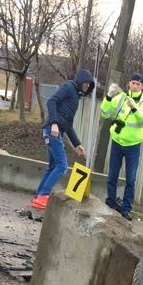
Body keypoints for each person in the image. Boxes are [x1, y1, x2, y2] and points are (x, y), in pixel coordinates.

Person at [31, 68, 95, 210]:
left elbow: (68, 125)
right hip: (52, 130)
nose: (87, 86)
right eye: (85, 83)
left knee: (53, 166)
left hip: (54, 130)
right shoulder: (68, 87)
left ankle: (38, 197)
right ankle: (43, 196)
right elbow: (51, 101)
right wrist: (54, 123)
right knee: (62, 166)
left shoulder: (76, 96)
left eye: (89, 84)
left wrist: (77, 144)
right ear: (80, 80)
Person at [100, 72, 143, 220]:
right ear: (129, 83)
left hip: (133, 145)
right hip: (117, 141)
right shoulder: (120, 97)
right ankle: (110, 204)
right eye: (133, 83)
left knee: (130, 179)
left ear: (142, 86)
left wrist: (134, 109)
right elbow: (105, 113)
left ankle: (126, 208)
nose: (135, 86)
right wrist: (108, 97)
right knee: (112, 175)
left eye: (138, 84)